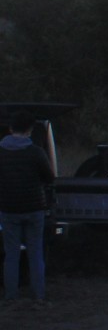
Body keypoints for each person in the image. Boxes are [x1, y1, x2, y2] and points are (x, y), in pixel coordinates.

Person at [0, 112, 56, 305]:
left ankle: (11, 296)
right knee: (35, 252)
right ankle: (38, 295)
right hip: (34, 209)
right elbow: (50, 178)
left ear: (10, 129)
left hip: (8, 210)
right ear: (30, 131)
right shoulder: (36, 152)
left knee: (11, 254)